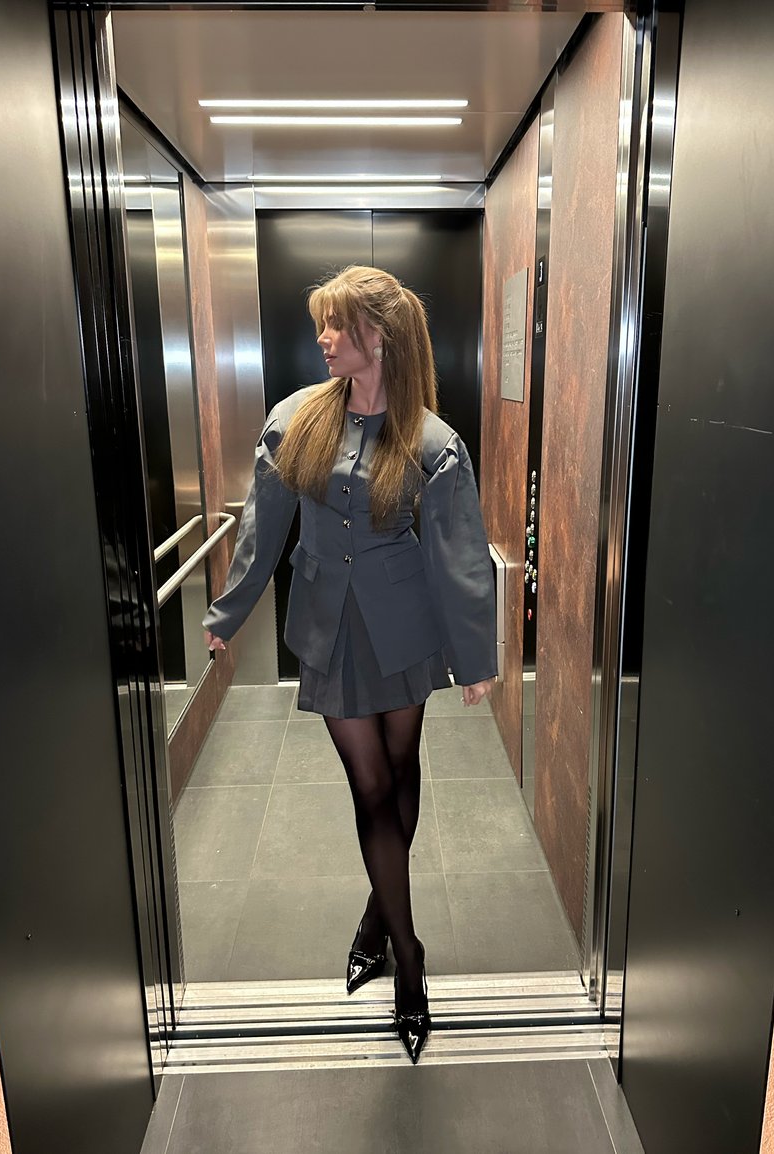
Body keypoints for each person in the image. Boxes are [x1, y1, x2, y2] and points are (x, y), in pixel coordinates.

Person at [202, 265, 497, 1064]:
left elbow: (462, 556)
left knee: (403, 770)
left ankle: (375, 915)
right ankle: (409, 958)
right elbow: (265, 530)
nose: (324, 338)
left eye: (338, 326)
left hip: (406, 629)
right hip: (328, 629)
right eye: (324, 325)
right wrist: (227, 613)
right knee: (370, 785)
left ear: (380, 338)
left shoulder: (432, 442)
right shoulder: (295, 419)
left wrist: (474, 656)